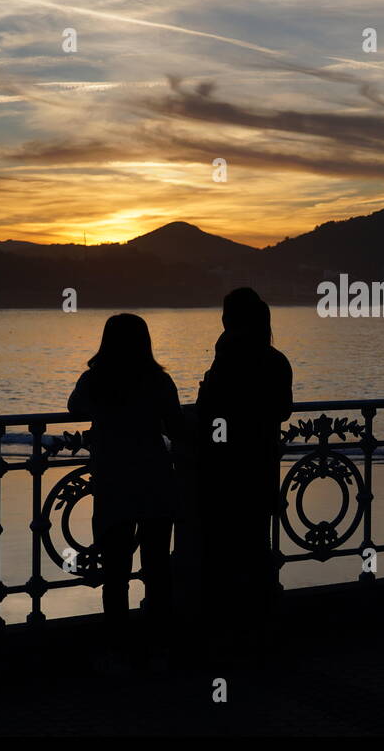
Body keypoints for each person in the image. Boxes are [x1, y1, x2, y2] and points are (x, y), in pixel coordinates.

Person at [68, 313, 185, 672]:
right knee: (157, 569)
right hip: (154, 479)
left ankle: (118, 649)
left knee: (115, 572)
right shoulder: (158, 380)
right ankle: (159, 648)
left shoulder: (96, 381)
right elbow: (176, 426)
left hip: (114, 482)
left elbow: (75, 407)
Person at [195, 287, 293, 652]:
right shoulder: (276, 360)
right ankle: (263, 629)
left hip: (223, 472)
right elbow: (282, 410)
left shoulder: (227, 359)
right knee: (258, 548)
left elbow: (209, 413)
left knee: (221, 553)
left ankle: (226, 633)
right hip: (261, 466)